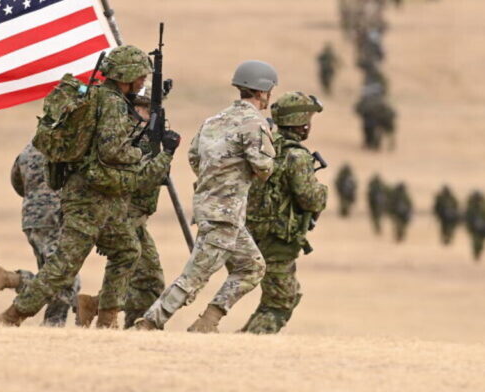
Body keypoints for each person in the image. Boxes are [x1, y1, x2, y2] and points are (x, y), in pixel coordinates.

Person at [0, 45, 179, 328]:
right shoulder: (112, 103)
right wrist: (142, 153)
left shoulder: (101, 97)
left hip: (106, 196)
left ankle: (106, 319)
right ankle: (11, 317)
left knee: (127, 250)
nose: (142, 82)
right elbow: (112, 151)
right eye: (139, 76)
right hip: (88, 198)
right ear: (125, 75)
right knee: (63, 267)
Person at [135, 61, 278, 333]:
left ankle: (207, 323)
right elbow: (264, 168)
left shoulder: (214, 120)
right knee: (196, 275)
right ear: (262, 91)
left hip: (213, 209)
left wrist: (216, 179)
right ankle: (150, 322)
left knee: (252, 267)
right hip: (225, 213)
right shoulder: (255, 124)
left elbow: (194, 158)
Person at [75, 88, 167, 329]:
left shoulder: (143, 136)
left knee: (147, 281)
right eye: (145, 109)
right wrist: (164, 156)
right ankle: (106, 313)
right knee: (147, 280)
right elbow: (141, 178)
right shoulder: (128, 138)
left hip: (136, 218)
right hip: (126, 216)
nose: (150, 115)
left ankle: (98, 307)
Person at [241, 92, 327, 334]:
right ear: (301, 123)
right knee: (281, 301)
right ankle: (251, 343)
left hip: (255, 232)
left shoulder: (266, 146)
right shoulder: (296, 156)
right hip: (277, 239)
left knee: (284, 295)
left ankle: (246, 338)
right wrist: (323, 191)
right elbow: (310, 198)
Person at [0, 143, 81, 326]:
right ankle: (11, 280)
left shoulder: (29, 149)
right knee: (63, 277)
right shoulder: (69, 145)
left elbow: (17, 182)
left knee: (52, 275)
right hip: (56, 215)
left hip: (32, 217)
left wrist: (35, 195)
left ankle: (52, 324)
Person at [355, 85, 396, 151]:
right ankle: (375, 144)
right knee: (384, 132)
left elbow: (359, 109)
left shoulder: (367, 101)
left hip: (376, 118)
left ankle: (372, 144)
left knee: (370, 130)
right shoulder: (381, 101)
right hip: (383, 118)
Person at [463, 190, 485, 261]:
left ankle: (479, 252)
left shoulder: (483, 206)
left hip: (482, 227)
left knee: (481, 242)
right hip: (474, 227)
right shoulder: (471, 206)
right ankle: (476, 253)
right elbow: (468, 216)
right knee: (475, 241)